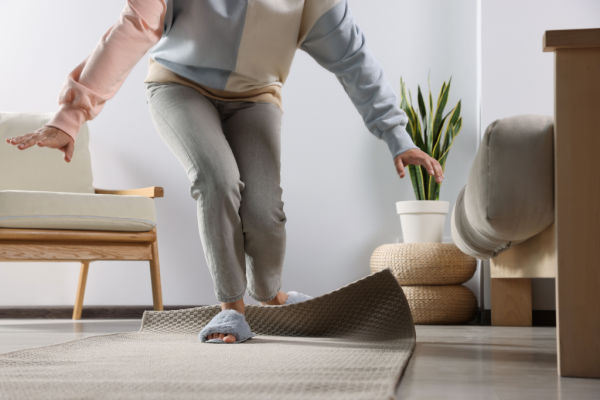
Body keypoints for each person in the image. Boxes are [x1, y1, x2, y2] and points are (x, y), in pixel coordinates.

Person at [5, 0, 444, 344]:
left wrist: (397, 135)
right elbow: (131, 30)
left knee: (265, 210)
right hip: (178, 86)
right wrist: (71, 116)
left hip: (256, 96)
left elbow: (353, 59)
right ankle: (231, 307)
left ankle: (270, 293)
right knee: (216, 179)